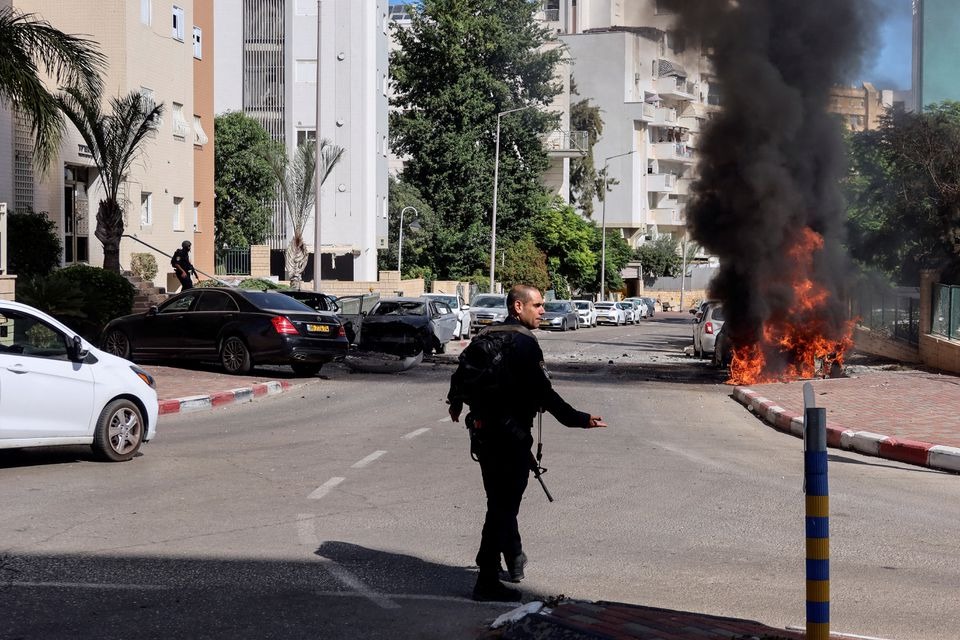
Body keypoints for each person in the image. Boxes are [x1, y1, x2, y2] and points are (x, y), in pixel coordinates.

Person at [447, 284, 607, 602]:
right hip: (510, 439)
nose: (543, 310)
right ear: (518, 307)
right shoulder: (524, 344)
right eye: (537, 305)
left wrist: (456, 403)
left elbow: (460, 375)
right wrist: (579, 418)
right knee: (502, 509)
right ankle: (487, 579)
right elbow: (543, 394)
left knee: (500, 505)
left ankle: (514, 560)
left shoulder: (486, 336)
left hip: (484, 436)